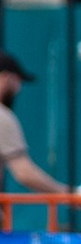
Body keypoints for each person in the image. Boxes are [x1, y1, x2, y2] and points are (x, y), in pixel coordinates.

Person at [0, 50, 70, 201]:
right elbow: (24, 173)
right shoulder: (2, 117)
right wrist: (67, 193)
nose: (18, 89)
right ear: (5, 77)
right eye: (17, 81)